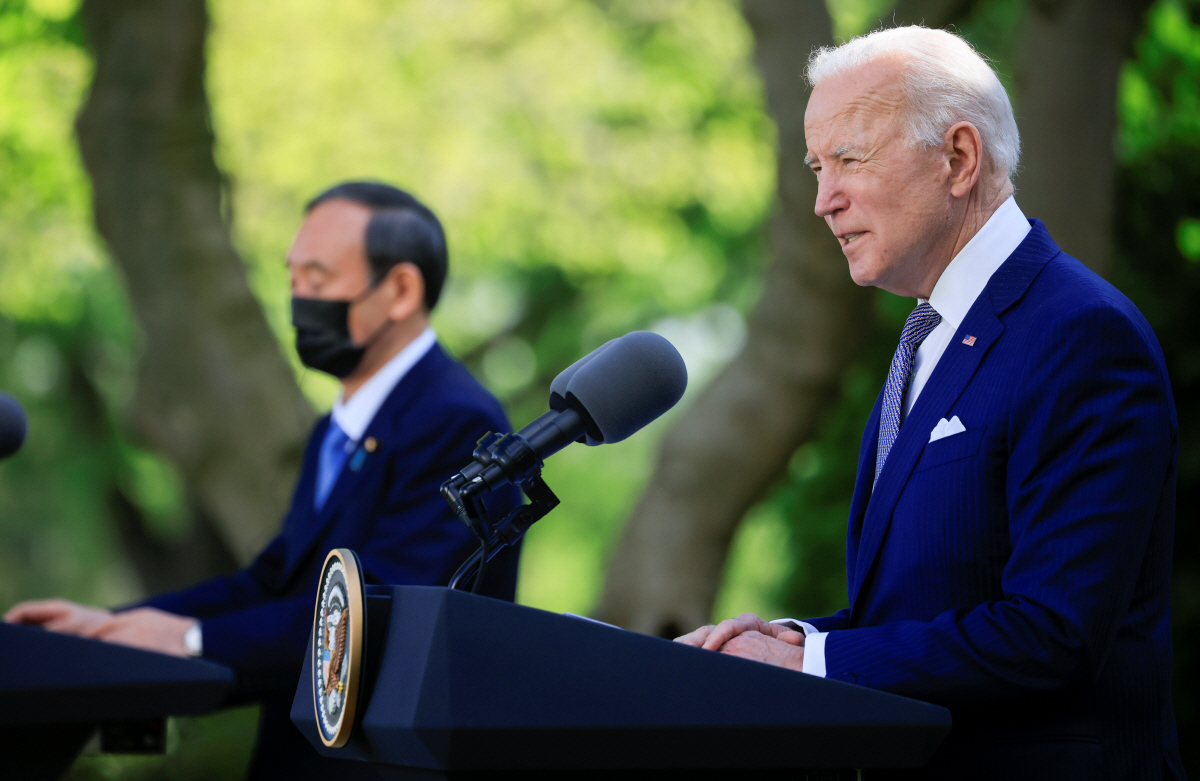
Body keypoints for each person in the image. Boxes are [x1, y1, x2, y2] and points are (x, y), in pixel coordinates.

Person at [675, 27, 1185, 780]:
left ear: (958, 158)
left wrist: (814, 659)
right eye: (817, 168)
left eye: (849, 159)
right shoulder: (927, 334)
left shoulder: (1081, 333)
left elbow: (1053, 632)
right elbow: (917, 619)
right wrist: (785, 645)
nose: (823, 200)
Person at [6, 181, 520, 779]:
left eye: (319, 280)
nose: (299, 298)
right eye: (293, 277)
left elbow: (376, 616)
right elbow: (275, 582)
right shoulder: (340, 426)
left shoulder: (458, 421)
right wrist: (106, 628)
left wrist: (196, 641)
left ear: (401, 289)